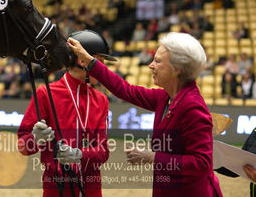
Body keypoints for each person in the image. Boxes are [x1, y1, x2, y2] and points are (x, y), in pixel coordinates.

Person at [68, 32, 222, 197]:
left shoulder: (192, 106)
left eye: (158, 61)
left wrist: (153, 157)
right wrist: (90, 61)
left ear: (177, 69)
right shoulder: (166, 97)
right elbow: (125, 90)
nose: (151, 65)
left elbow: (202, 163)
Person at [18, 30, 115, 196]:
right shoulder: (45, 93)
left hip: (91, 184)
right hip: (56, 184)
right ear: (81, 60)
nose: (102, 68)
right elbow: (23, 147)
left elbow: (103, 152)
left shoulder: (101, 100)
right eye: (99, 61)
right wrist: (35, 139)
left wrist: (79, 155)